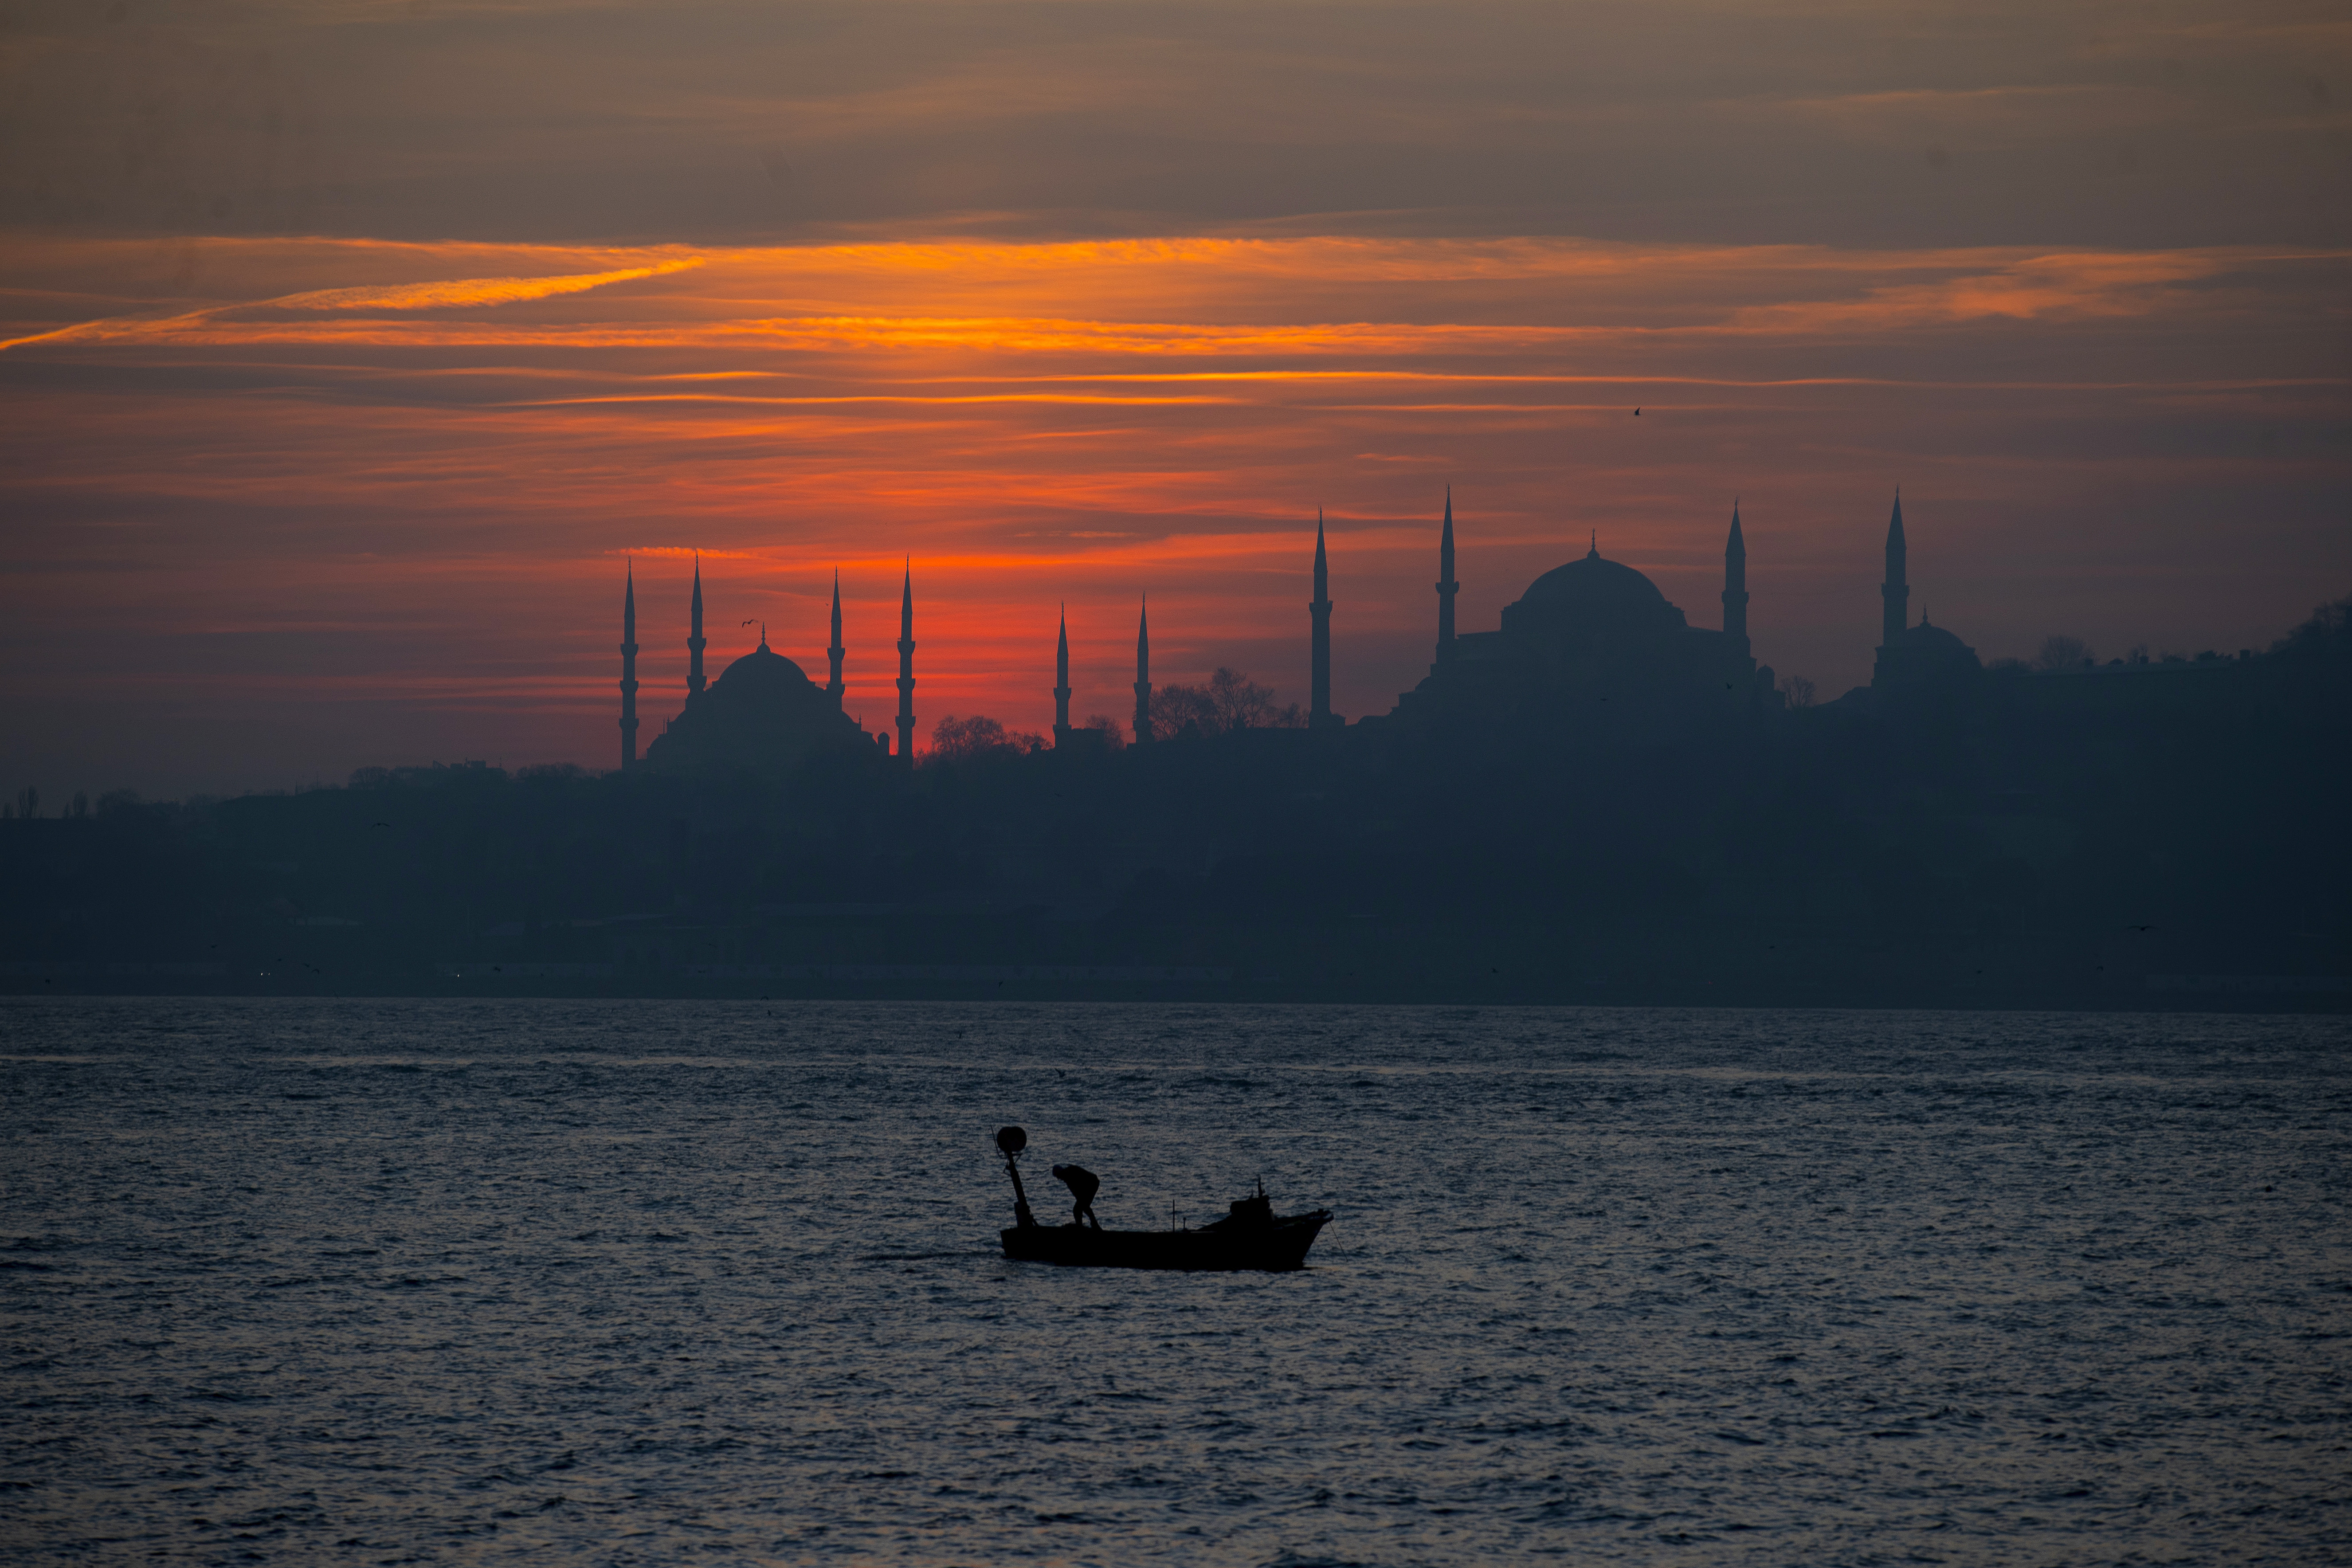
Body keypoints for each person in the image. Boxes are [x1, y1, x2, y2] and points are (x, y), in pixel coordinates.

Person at [1051, 1163, 1101, 1229]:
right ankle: (1090, 1224)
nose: (1058, 1179)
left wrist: (1082, 1203)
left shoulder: (1069, 1175)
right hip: (1090, 1185)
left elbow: (1078, 1190)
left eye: (1058, 1176)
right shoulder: (1068, 1176)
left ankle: (1084, 1225)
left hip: (1092, 1184)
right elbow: (1077, 1194)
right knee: (1083, 1207)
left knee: (1080, 1208)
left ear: (1060, 1173)